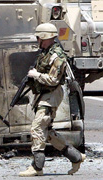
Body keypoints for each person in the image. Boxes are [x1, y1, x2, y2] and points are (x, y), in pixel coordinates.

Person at [19, 23, 86, 177]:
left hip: (51, 96)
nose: (37, 40)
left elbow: (53, 80)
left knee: (37, 128)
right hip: (44, 95)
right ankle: (76, 157)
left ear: (45, 37)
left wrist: (36, 75)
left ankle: (37, 167)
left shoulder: (57, 56)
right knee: (47, 131)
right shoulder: (45, 52)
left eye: (39, 37)